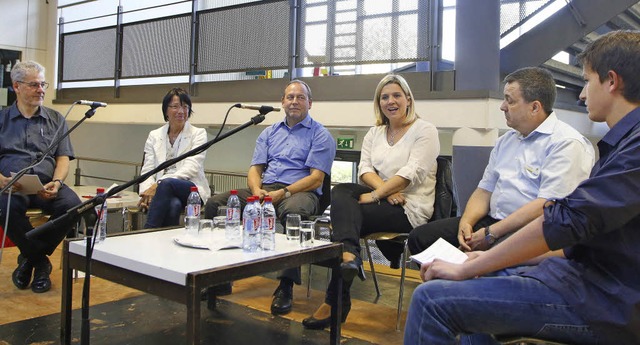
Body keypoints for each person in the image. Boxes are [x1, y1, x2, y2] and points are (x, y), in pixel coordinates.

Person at [404, 30, 640, 345]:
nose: (582, 94)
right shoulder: (622, 144)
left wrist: (487, 249)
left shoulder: (621, 148)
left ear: (611, 81)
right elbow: (576, 240)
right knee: (469, 277)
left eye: (587, 81)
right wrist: (482, 252)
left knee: (431, 300)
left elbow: (563, 219)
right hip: (577, 276)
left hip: (604, 302)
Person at [407, 67, 595, 256]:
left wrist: (490, 235)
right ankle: (450, 281)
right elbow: (484, 190)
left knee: (475, 259)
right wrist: (466, 222)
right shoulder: (506, 141)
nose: (502, 106)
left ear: (535, 107)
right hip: (493, 222)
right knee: (422, 238)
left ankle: (462, 279)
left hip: (532, 230)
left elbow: (546, 205)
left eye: (510, 100)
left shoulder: (566, 143)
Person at [302, 74, 440, 329]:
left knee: (346, 220)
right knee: (343, 189)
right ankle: (349, 255)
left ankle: (337, 294)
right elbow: (364, 170)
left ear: (408, 99)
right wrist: (385, 192)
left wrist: (378, 194)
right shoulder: (375, 132)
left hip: (409, 207)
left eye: (397, 95)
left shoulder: (425, 130)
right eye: (384, 97)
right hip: (384, 199)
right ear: (379, 103)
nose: (391, 101)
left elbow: (411, 173)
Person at [203, 79, 336, 315]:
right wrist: (256, 191)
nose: (294, 101)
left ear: (310, 103)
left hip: (299, 191)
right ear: (282, 102)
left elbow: (316, 179)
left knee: (293, 213)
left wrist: (284, 192)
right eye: (290, 97)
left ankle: (285, 286)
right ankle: (219, 277)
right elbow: (255, 169)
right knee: (215, 203)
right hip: (266, 189)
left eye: (300, 97)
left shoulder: (320, 134)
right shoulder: (268, 132)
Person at [0, 61, 81, 293]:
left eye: (43, 84)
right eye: (34, 84)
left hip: (47, 183)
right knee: (3, 205)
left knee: (73, 206)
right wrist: (1, 180)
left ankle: (28, 259)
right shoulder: (2, 120)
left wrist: (57, 181)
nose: (41, 89)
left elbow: (63, 158)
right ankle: (41, 263)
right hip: (11, 186)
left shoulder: (56, 119)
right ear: (16, 86)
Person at [138, 87, 210, 228]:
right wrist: (147, 193)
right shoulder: (154, 135)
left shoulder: (199, 134)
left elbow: (191, 168)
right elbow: (147, 169)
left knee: (166, 184)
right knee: (173, 205)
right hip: (162, 192)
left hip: (190, 188)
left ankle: (147, 231)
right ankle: (163, 244)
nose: (181, 111)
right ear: (166, 110)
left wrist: (157, 186)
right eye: (175, 107)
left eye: (185, 107)